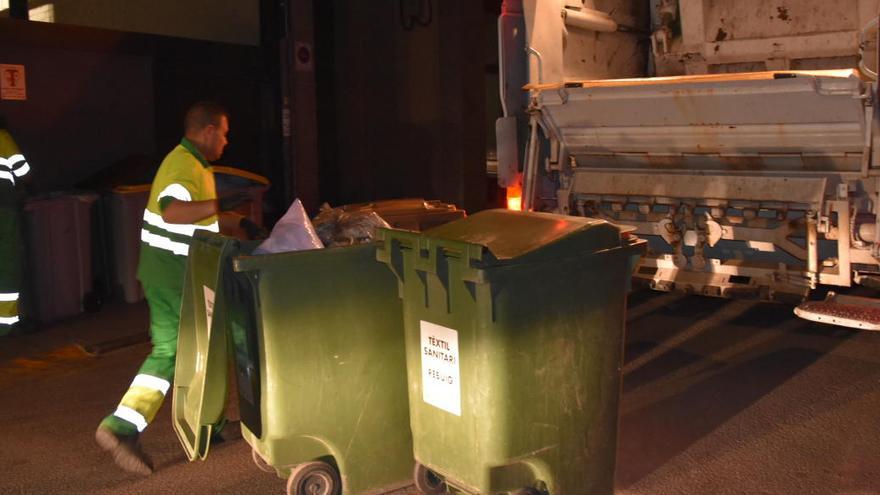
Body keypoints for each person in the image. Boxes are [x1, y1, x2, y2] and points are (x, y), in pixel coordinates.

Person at [95, 102, 265, 475]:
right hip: (171, 275)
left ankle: (211, 424)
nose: (226, 140)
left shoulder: (196, 165)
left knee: (207, 343)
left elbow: (195, 216)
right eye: (223, 133)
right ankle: (121, 427)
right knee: (172, 350)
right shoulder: (182, 165)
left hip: (186, 272)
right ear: (206, 131)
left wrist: (235, 220)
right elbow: (173, 211)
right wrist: (220, 204)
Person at [0, 116, 31, 336]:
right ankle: (6, 323)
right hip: (4, 209)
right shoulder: (2, 138)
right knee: (8, 263)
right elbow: (24, 173)